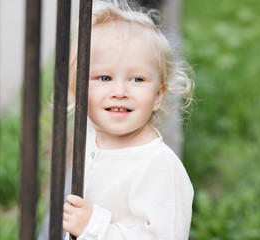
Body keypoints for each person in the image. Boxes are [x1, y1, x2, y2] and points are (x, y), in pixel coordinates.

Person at [63, 0, 194, 239]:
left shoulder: (159, 166)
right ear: (78, 87)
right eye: (104, 78)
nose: (120, 91)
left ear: (158, 96)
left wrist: (93, 227)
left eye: (137, 80)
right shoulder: (91, 135)